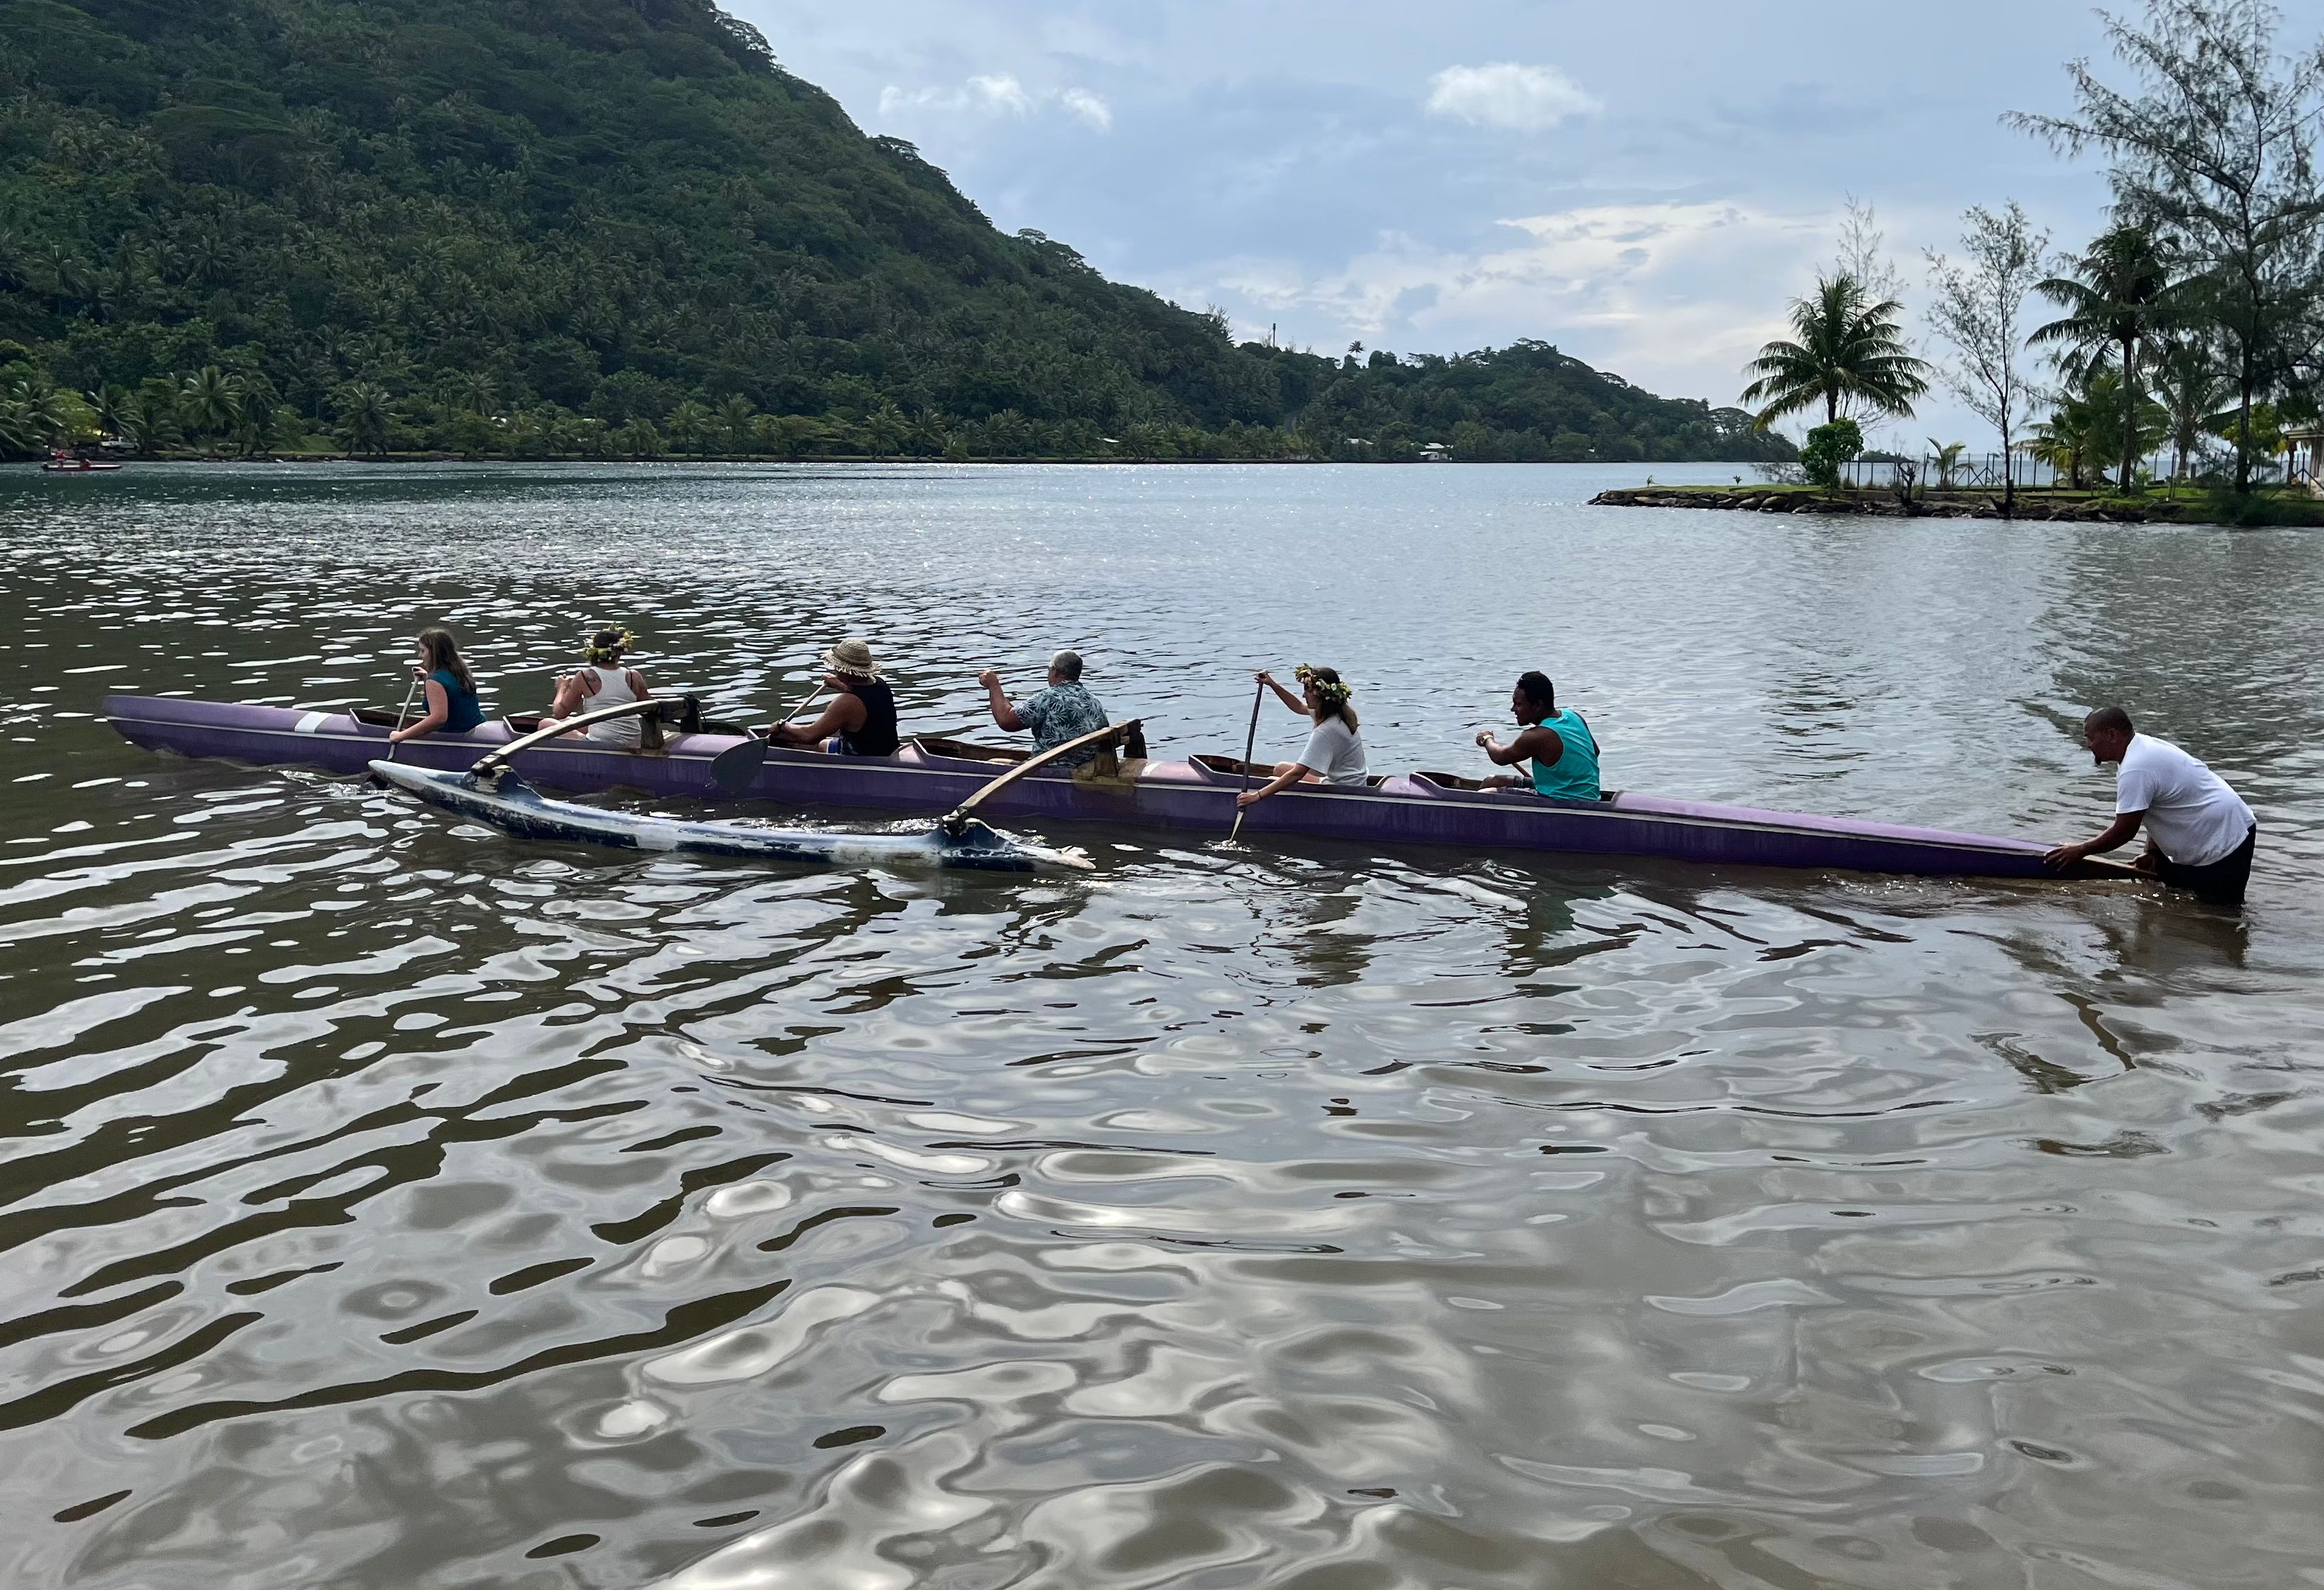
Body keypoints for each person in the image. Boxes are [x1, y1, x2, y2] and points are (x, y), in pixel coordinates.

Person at [2044, 704, 2257, 906]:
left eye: (2090, 738)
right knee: (2179, 902)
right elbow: (2156, 807)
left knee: (2221, 914)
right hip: (2209, 833)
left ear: (2111, 735)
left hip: (2225, 839)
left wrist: (2080, 851)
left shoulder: (2136, 767)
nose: (2088, 745)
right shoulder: (2140, 750)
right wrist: (2153, 854)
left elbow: (2125, 831)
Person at [1236, 664, 1366, 808]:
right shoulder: (1338, 713)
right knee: (1280, 768)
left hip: (1343, 791)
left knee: (1272, 780)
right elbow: (1298, 706)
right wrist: (1272, 684)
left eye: (1307, 691)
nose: (1304, 695)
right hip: (1352, 782)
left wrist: (1256, 796)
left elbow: (1297, 774)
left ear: (1319, 694)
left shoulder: (1325, 730)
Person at [1474, 671, 1601, 801]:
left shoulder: (1537, 736)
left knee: (1484, 794)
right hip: (1590, 796)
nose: (1513, 709)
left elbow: (1500, 757)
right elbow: (1595, 751)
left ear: (1537, 705)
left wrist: (1487, 739)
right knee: (1491, 781)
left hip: (1563, 801)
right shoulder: (1573, 716)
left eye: (1519, 704)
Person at [767, 638, 899, 756]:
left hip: (862, 759)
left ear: (844, 670)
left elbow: (809, 736)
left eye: (837, 668)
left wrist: (782, 725)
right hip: (885, 751)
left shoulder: (846, 703)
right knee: (821, 744)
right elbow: (862, 697)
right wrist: (840, 685)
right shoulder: (879, 683)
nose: (835, 671)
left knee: (798, 741)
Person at [977, 650, 1108, 766]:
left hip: (1053, 767)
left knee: (991, 763)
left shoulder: (1048, 698)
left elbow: (1006, 721)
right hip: (1084, 763)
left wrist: (993, 685)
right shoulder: (1093, 700)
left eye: (1049, 669)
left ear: (1055, 672)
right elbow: (1014, 715)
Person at [540, 625, 653, 748]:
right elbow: (651, 710)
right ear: (620, 652)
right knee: (566, 722)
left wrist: (562, 688)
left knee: (545, 724)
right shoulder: (634, 676)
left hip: (602, 743)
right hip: (633, 739)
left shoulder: (585, 677)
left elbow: (558, 713)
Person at [389, 626, 486, 743]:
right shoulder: (460, 670)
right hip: (477, 727)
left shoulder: (435, 681)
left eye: (423, 651)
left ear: (434, 653)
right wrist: (426, 679)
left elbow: (439, 719)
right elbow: (450, 694)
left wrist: (401, 735)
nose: (420, 655)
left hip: (457, 738)